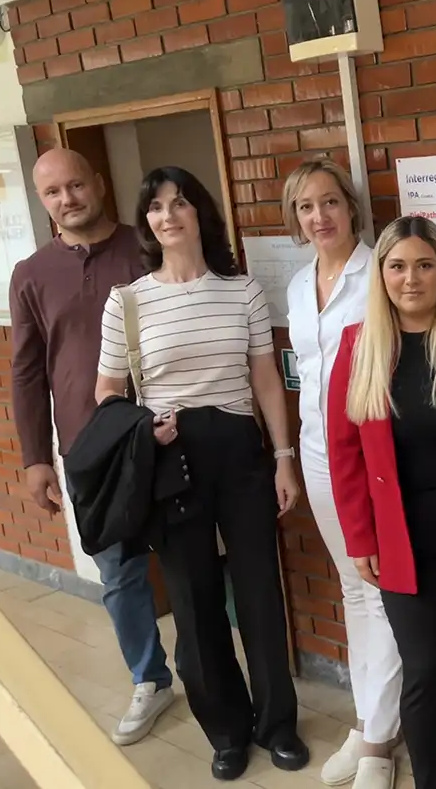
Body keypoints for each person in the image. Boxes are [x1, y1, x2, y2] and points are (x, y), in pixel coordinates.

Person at [93, 166, 308, 782]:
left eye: (180, 203)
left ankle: (278, 725)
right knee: (193, 601)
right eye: (156, 206)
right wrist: (143, 430)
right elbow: (107, 391)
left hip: (240, 450)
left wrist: (284, 456)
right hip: (171, 457)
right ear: (147, 221)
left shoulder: (242, 291)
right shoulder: (127, 302)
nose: (168, 215)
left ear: (200, 213)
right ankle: (227, 731)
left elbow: (265, 377)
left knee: (260, 592)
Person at [9, 148, 176, 746]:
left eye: (75, 185)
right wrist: (35, 457)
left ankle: (213, 679)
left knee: (188, 562)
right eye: (53, 192)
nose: (67, 199)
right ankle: (149, 680)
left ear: (99, 184)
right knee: (119, 572)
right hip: (91, 451)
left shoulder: (149, 246)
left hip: (167, 435)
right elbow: (27, 371)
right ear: (42, 200)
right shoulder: (31, 273)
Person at [327, 216, 436, 789]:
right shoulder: (360, 345)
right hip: (402, 539)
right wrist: (360, 539)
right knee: (424, 670)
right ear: (381, 275)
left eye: (425, 264)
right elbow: (344, 452)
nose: (411, 278)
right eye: (397, 266)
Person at [283, 158, 403, 789]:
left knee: (380, 588)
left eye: (329, 202)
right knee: (354, 588)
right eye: (306, 207)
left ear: (351, 207)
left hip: (371, 457)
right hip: (316, 451)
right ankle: (367, 720)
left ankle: (380, 740)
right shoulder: (297, 285)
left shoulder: (379, 272)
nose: (319, 216)